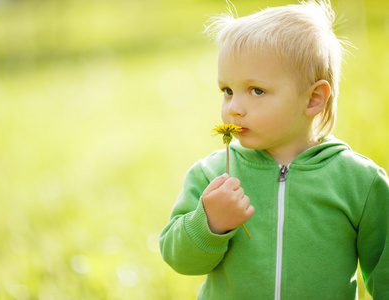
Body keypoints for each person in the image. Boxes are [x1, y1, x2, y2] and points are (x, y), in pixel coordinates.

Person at [159, 0, 389, 299]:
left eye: (257, 91)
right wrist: (209, 224)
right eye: (227, 91)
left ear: (313, 99)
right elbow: (180, 260)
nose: (234, 109)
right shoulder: (212, 175)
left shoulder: (360, 183)